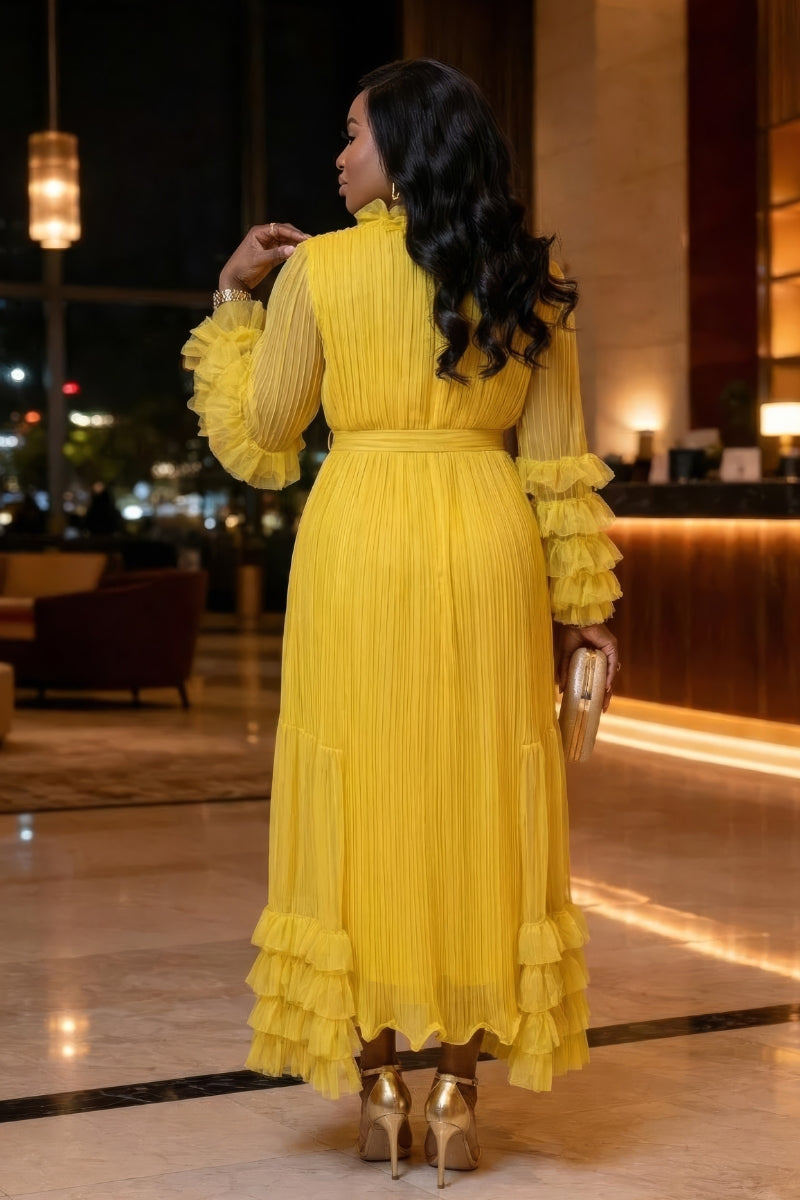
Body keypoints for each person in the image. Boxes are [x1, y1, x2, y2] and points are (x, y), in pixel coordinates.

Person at [182, 58, 621, 1188]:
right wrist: (583, 613)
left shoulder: (317, 272)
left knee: (360, 787)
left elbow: (267, 441)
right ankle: (459, 1093)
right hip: (485, 544)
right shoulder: (531, 277)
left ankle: (379, 1087)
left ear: (409, 145)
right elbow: (558, 465)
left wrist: (233, 298)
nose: (338, 157)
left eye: (354, 135)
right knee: (481, 788)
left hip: (359, 539)